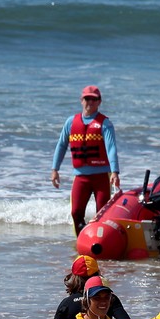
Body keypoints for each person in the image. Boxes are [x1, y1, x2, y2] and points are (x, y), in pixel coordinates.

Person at [50, 86, 121, 236]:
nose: (90, 102)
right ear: (81, 101)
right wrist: (55, 169)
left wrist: (115, 172)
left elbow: (111, 148)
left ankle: (100, 243)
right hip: (81, 177)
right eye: (87, 99)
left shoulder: (105, 123)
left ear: (99, 102)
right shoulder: (71, 122)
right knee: (76, 213)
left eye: (94, 99)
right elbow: (61, 145)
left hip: (101, 177)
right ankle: (83, 240)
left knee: (101, 215)